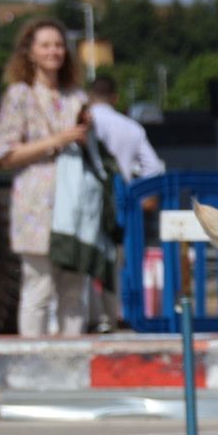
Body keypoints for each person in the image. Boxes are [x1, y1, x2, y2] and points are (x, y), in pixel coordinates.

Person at [0, 18, 89, 337]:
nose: (53, 51)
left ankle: (74, 361)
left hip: (75, 202)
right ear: (30, 52)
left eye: (58, 45)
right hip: (37, 202)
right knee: (39, 287)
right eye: (45, 45)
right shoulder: (20, 95)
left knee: (74, 288)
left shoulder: (76, 97)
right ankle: (33, 361)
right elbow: (2, 154)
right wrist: (56, 141)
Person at [85, 76, 166, 332]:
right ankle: (115, 316)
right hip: (120, 205)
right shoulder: (131, 128)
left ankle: (90, 316)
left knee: (83, 262)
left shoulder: (83, 123)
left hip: (84, 200)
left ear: (89, 96)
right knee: (116, 263)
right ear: (115, 98)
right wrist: (142, 199)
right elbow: (154, 168)